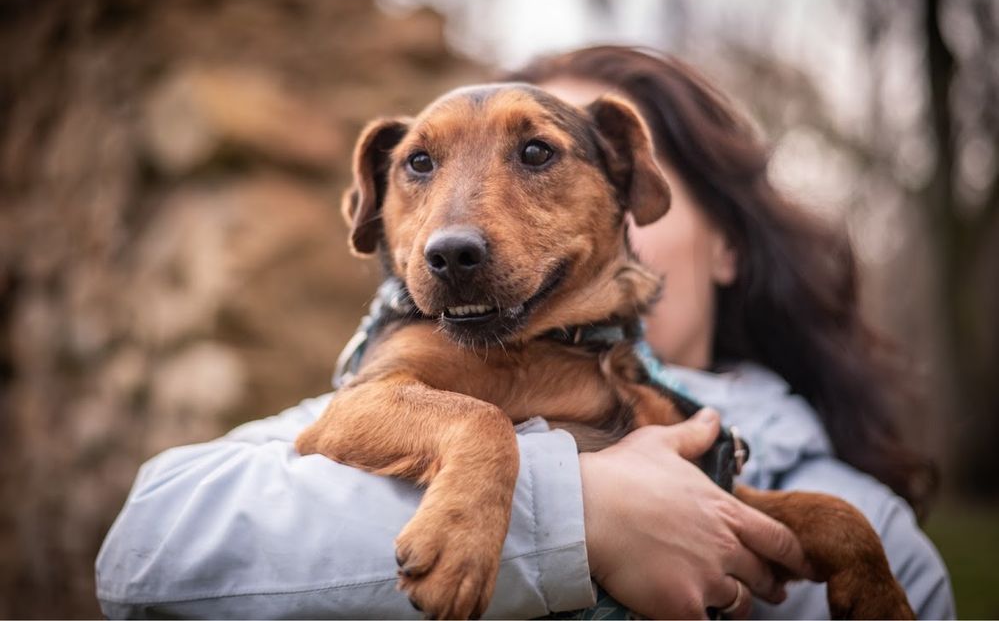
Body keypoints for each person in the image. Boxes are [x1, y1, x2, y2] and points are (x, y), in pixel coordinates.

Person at [96, 46, 954, 620]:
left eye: (536, 153)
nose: (455, 229)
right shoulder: (415, 363)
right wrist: (556, 501)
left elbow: (733, 523)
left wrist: (839, 538)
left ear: (632, 192)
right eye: (421, 166)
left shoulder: (668, 409)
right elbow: (142, 552)